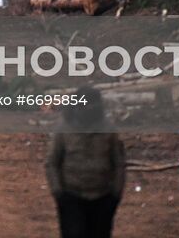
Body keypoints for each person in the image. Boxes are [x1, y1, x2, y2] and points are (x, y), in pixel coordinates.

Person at [46, 87, 125, 238]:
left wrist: (116, 193)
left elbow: (119, 164)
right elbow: (52, 163)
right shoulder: (63, 130)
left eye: (93, 105)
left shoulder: (108, 130)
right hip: (72, 195)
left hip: (103, 196)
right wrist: (58, 192)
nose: (90, 109)